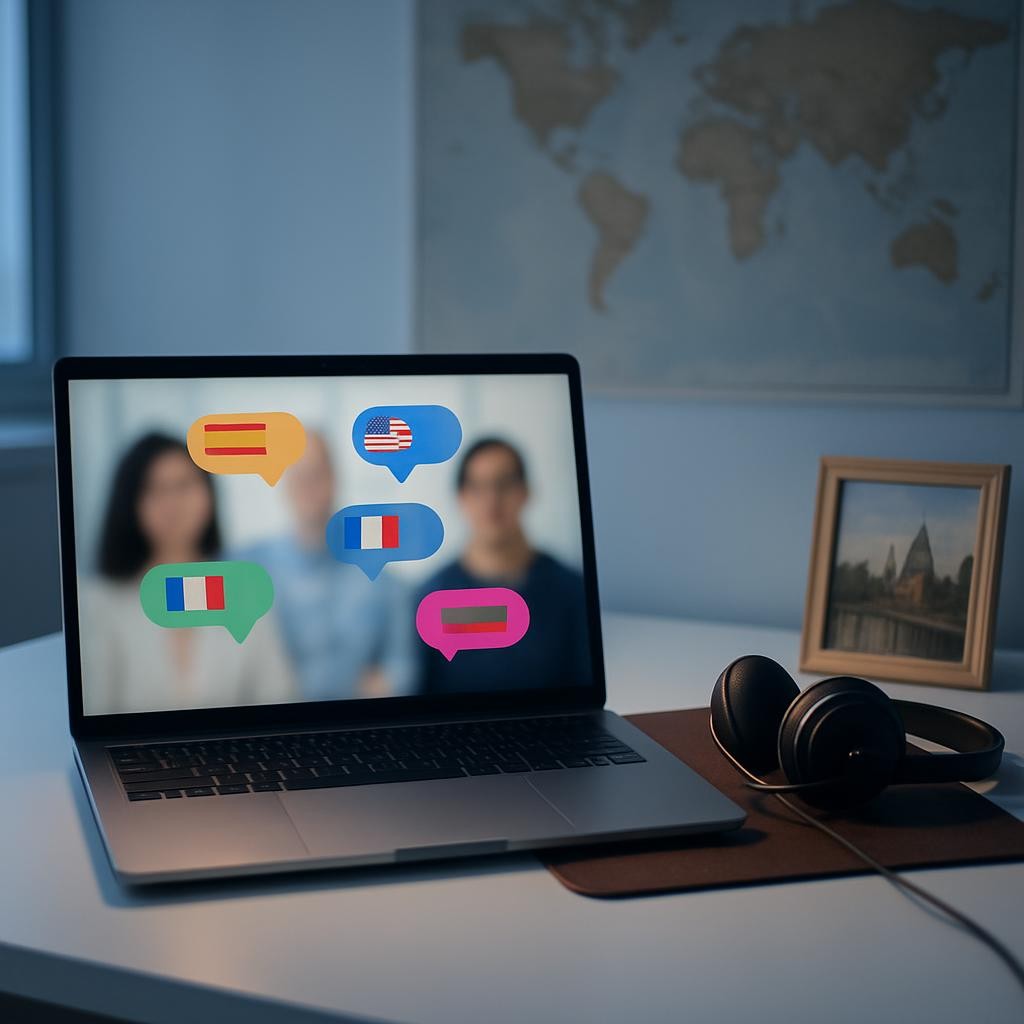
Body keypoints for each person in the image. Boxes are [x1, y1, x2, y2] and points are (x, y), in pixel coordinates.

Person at [81, 432, 297, 715]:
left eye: (184, 485)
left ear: (208, 495)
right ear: (131, 503)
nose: (172, 502)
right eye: (154, 489)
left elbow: (280, 701)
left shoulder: (247, 594)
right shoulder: (99, 603)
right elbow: (97, 712)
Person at [238, 431, 414, 700]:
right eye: (299, 475)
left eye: (317, 473)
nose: (309, 485)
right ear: (286, 484)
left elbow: (403, 669)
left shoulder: (381, 579)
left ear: (334, 480)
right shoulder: (250, 567)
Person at [418, 437, 591, 694]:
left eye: (504, 484)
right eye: (478, 487)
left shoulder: (571, 589)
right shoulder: (431, 595)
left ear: (525, 492)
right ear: (462, 498)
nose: (492, 500)